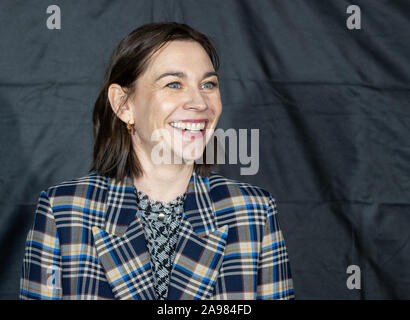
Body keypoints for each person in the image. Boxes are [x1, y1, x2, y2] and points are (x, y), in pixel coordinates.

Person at [19, 22, 294, 300]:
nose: (199, 102)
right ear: (124, 104)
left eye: (208, 84)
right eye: (174, 84)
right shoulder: (63, 211)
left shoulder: (254, 213)